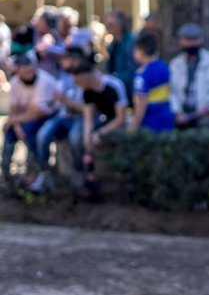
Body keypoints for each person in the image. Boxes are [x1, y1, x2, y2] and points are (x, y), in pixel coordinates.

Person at [68, 49, 128, 195]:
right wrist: (87, 137)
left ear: (86, 78)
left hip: (121, 123)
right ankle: (88, 177)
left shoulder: (113, 86)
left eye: (78, 81)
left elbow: (121, 119)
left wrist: (100, 133)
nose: (77, 85)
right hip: (105, 121)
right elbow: (88, 118)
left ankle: (125, 181)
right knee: (79, 138)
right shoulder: (86, 92)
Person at [30, 45, 87, 193]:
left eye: (66, 59)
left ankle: (79, 173)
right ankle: (45, 174)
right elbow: (57, 100)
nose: (62, 62)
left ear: (75, 61)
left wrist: (67, 101)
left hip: (79, 118)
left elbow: (87, 108)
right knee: (42, 134)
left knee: (75, 138)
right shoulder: (63, 76)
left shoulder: (87, 76)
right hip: (61, 117)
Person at [2, 52, 58, 186]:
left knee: (29, 131)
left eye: (31, 70)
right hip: (25, 117)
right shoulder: (15, 82)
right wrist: (15, 126)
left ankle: (34, 171)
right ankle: (5, 173)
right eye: (25, 71)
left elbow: (37, 113)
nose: (29, 74)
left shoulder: (44, 81)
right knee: (9, 131)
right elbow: (14, 108)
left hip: (47, 116)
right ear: (18, 71)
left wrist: (14, 121)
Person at [129, 29, 173, 133]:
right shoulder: (164, 67)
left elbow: (141, 101)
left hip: (149, 121)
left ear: (141, 51)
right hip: (166, 117)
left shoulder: (142, 74)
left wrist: (134, 127)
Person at [99, 10, 137, 101]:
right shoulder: (113, 43)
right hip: (117, 88)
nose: (107, 27)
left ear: (120, 26)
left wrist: (112, 77)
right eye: (106, 24)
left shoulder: (131, 42)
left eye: (110, 24)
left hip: (129, 91)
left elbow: (133, 70)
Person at [32, 9, 64, 78]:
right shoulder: (31, 32)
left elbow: (63, 51)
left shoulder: (55, 35)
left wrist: (49, 48)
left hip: (53, 74)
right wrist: (41, 49)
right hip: (36, 75)